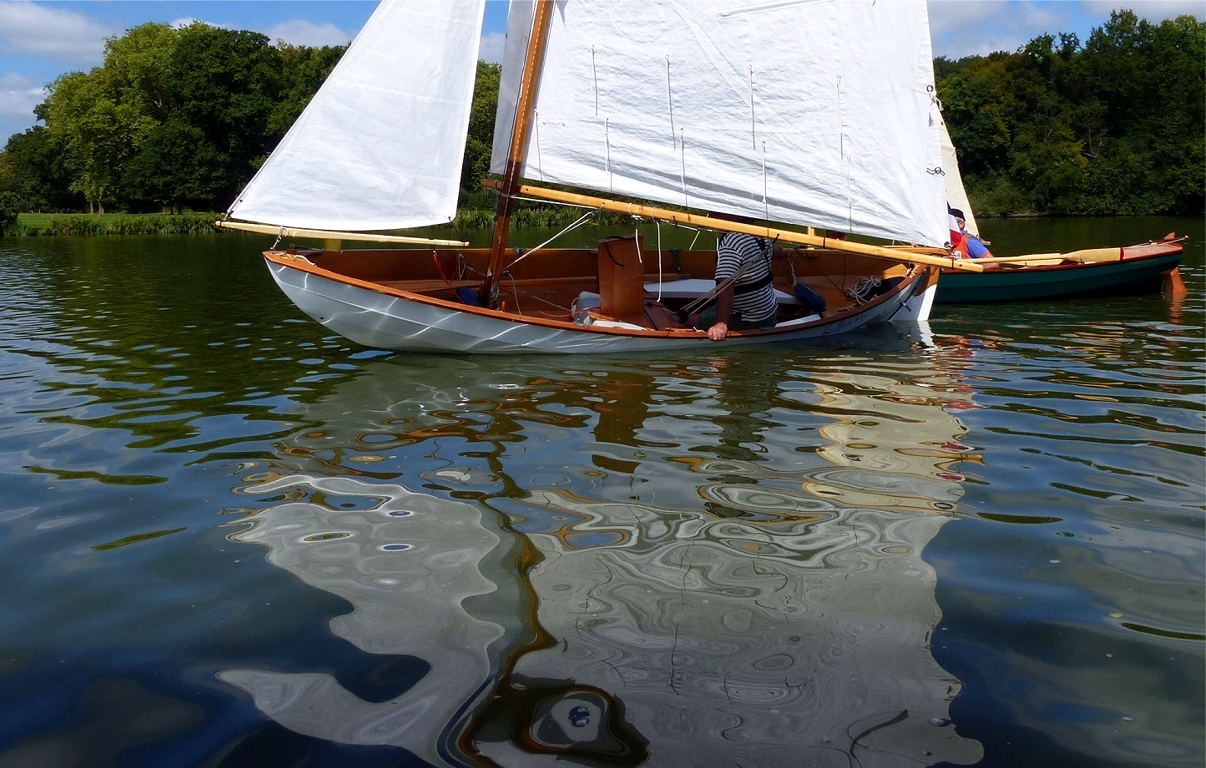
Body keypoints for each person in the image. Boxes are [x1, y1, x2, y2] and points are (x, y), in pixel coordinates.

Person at [693, 231, 779, 341]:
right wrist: (783, 252)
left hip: (750, 319)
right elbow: (773, 248)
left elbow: (726, 285)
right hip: (768, 311)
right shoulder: (756, 233)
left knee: (691, 320)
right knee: (703, 313)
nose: (711, 213)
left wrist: (721, 323)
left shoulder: (731, 243)